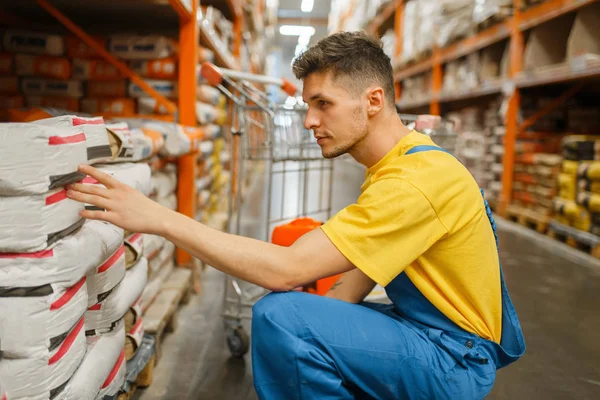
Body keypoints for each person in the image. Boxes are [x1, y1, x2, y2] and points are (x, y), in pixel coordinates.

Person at [66, 31, 525, 399]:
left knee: (280, 316)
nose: (309, 120)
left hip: (452, 358)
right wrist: (320, 327)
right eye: (308, 105)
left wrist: (159, 217)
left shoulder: (413, 181)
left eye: (322, 103)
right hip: (433, 334)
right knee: (301, 319)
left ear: (373, 100)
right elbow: (365, 271)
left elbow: (287, 272)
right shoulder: (402, 163)